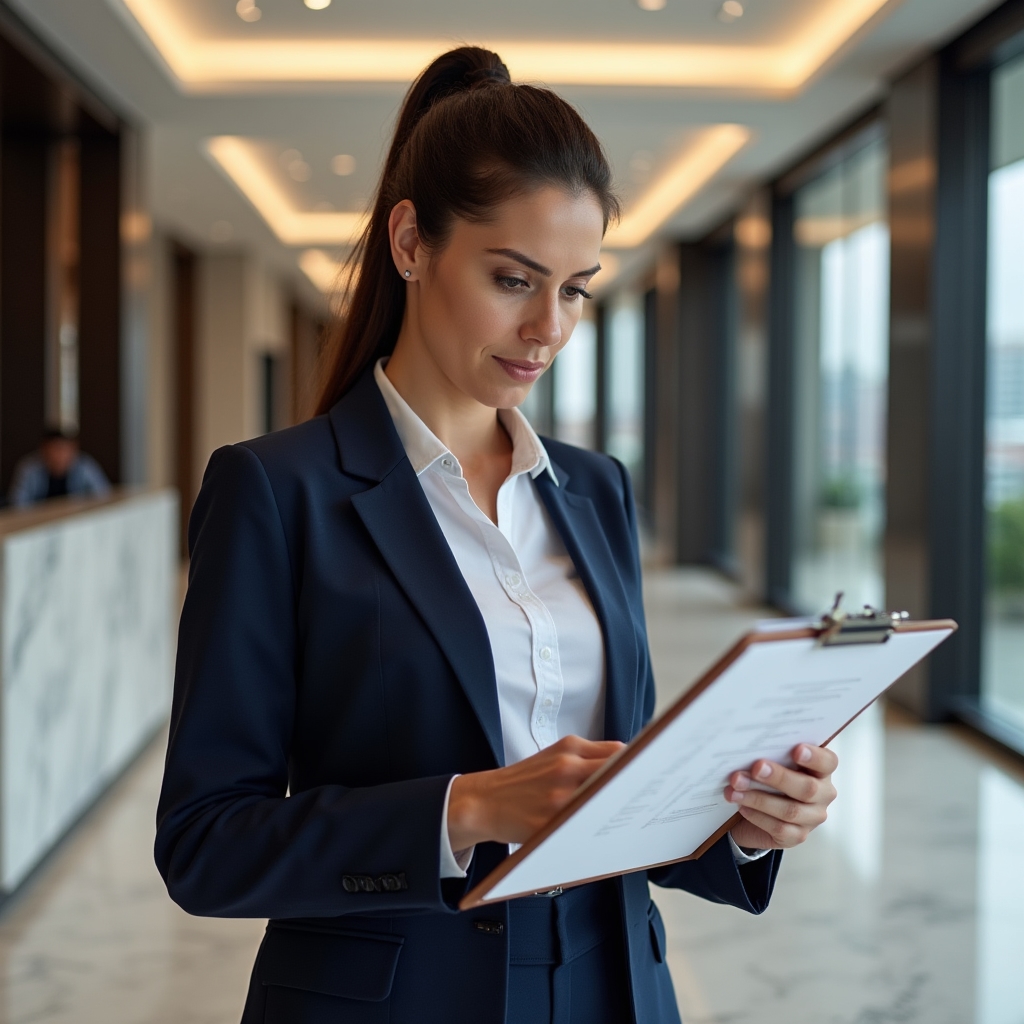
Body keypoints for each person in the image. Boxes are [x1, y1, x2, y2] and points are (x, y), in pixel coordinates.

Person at [156, 47, 838, 1024]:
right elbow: (207, 843)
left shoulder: (595, 489)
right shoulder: (275, 491)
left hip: (615, 987)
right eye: (513, 278)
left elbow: (614, 791)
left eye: (575, 289)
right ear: (409, 241)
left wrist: (742, 824)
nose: (547, 328)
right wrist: (465, 808)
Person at [7, 426, 111, 507]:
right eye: (55, 449)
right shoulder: (29, 468)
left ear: (74, 450)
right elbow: (17, 503)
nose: (60, 456)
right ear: (43, 450)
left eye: (64, 450)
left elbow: (104, 496)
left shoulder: (85, 466)